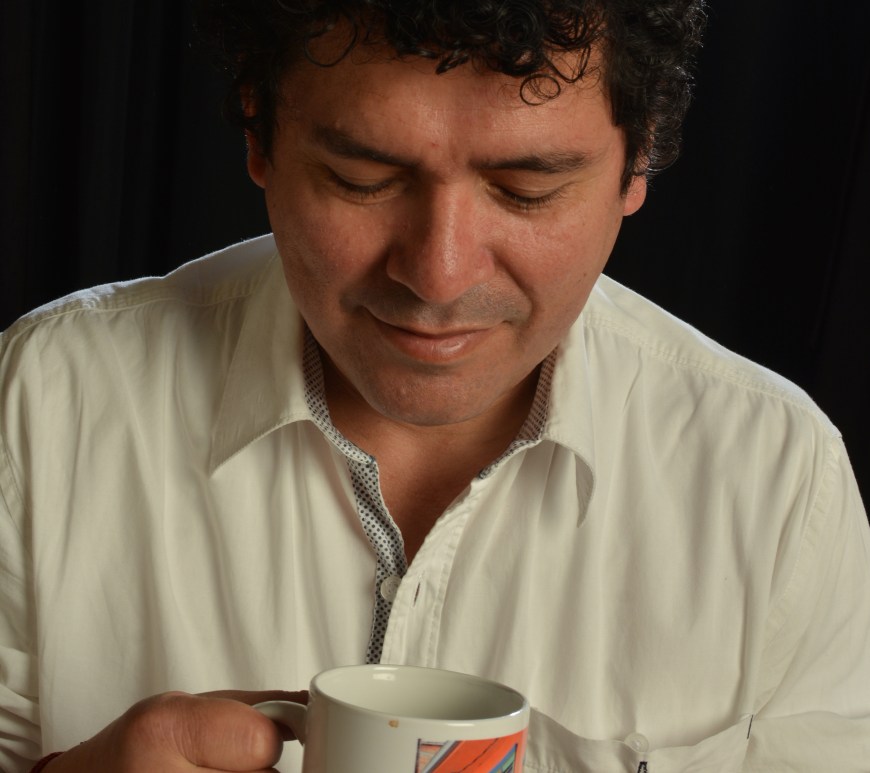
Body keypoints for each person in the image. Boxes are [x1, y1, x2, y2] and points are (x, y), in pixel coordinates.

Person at [1, 0, 868, 770]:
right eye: (363, 180)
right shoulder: (43, 402)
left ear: (636, 161)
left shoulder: (781, 484)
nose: (438, 276)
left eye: (526, 190)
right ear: (258, 134)